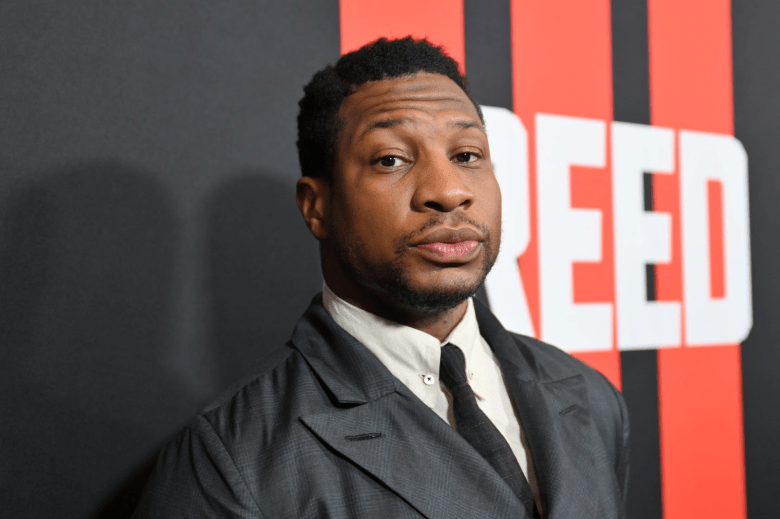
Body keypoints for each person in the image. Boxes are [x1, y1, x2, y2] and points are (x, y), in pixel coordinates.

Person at [132, 37, 629, 519]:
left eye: (466, 155)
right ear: (317, 207)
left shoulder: (589, 396)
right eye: (391, 159)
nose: (449, 191)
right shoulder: (232, 459)